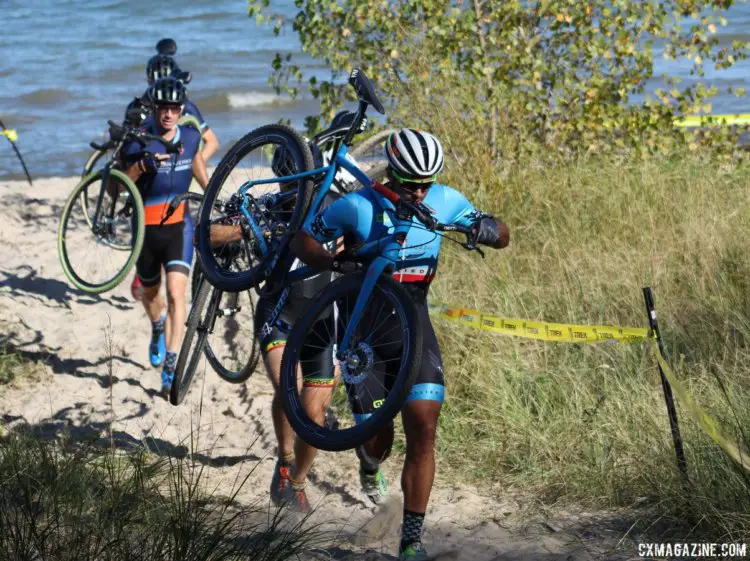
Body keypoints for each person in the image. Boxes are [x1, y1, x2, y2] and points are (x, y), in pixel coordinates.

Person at [289, 129, 510, 560]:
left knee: (425, 428)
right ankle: (369, 466)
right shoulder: (357, 204)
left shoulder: (445, 199)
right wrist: (325, 258)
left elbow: (502, 234)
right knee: (378, 442)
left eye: (428, 183)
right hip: (365, 331)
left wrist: (488, 229)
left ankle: (411, 540)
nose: (421, 191)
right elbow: (304, 238)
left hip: (415, 318)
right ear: (392, 172)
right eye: (413, 183)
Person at [255, 143, 388, 514]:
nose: (296, 190)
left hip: (321, 324)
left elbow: (361, 241)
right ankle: (283, 461)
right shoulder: (271, 208)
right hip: (279, 314)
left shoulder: (335, 206)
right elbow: (223, 235)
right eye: (289, 182)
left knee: (314, 416)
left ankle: (296, 481)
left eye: (307, 180)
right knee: (288, 389)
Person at [121, 77, 209, 396]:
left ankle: (171, 366)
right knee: (150, 296)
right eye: (163, 108)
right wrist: (140, 167)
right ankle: (157, 326)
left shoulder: (190, 136)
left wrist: (215, 200)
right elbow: (115, 186)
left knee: (176, 295)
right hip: (145, 230)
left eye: (174, 108)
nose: (168, 114)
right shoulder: (138, 140)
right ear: (154, 108)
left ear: (182, 109)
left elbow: (202, 176)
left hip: (179, 228)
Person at [128, 50, 220, 301]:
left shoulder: (185, 109)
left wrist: (187, 161)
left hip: (175, 180)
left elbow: (211, 142)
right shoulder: (146, 109)